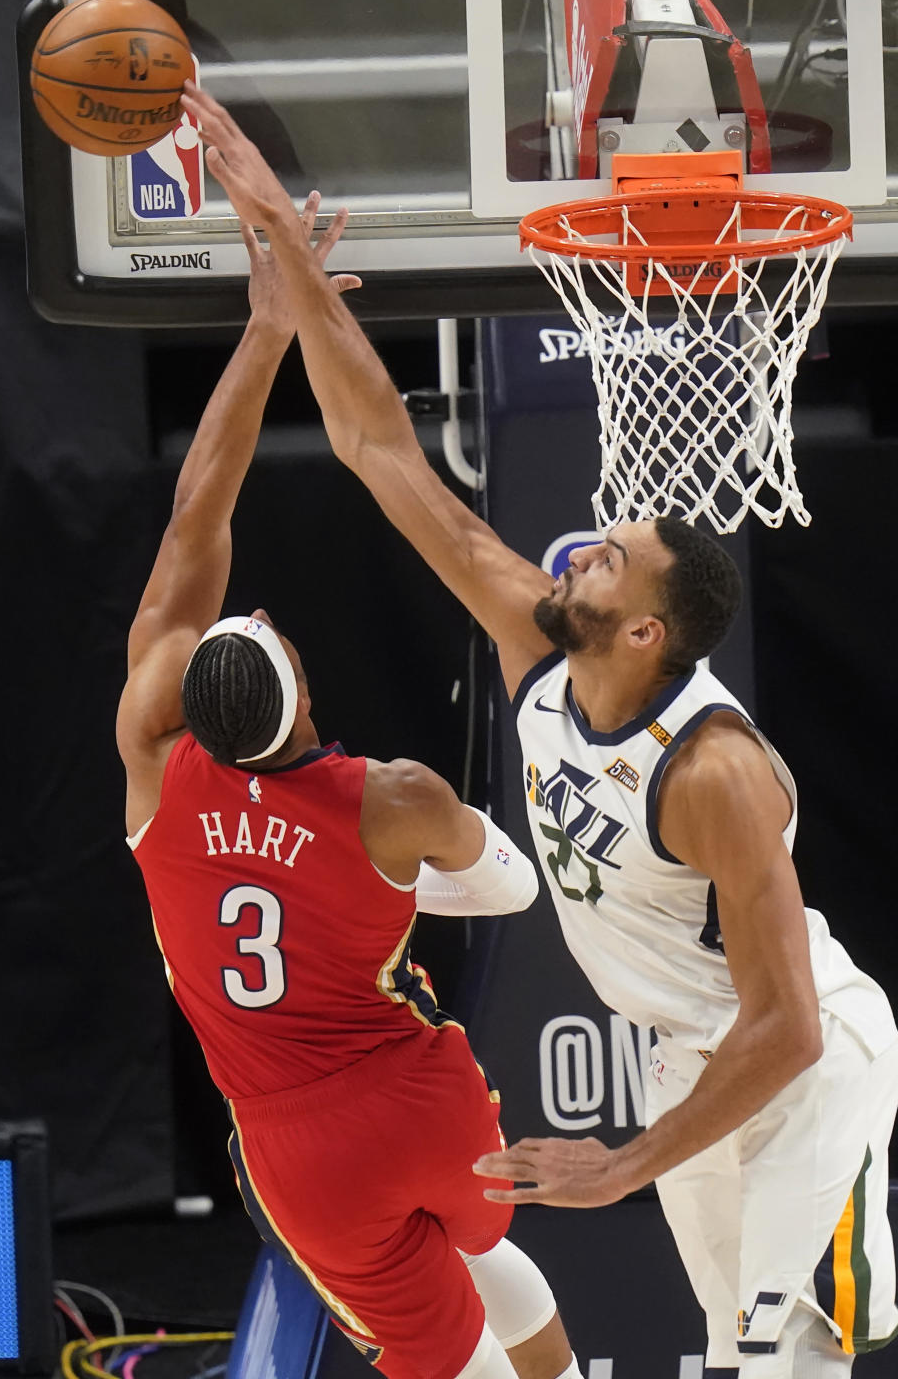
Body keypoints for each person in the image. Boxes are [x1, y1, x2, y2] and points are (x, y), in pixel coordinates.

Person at [178, 79, 898, 1379]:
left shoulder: (718, 771)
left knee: (799, 1362)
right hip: (688, 1063)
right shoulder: (541, 649)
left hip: (805, 1065)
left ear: (648, 636)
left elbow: (787, 1025)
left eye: (609, 563)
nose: (577, 558)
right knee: (738, 1361)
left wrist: (619, 1162)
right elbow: (380, 447)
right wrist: (280, 237)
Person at [115, 192, 582, 1379]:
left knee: (440, 1350)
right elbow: (515, 889)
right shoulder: (393, 798)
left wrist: (259, 334)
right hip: (421, 1091)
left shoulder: (155, 763)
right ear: (304, 701)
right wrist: (402, 898)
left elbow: (188, 526)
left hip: (295, 1140)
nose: (254, 603)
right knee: (482, 1252)